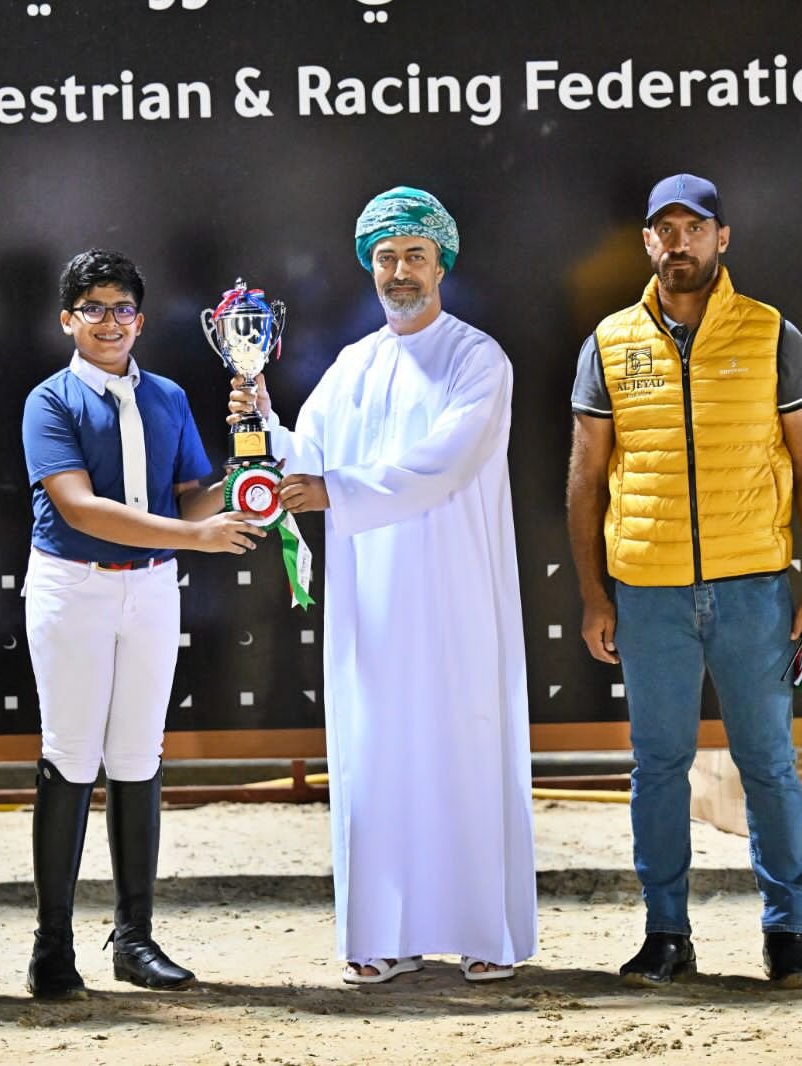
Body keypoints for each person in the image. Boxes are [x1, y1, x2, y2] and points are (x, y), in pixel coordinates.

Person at [229, 187, 536, 984]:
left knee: (466, 748)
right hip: (372, 602)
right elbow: (307, 460)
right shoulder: (353, 365)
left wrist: (337, 491)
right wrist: (262, 421)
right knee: (378, 756)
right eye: (387, 257)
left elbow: (447, 461)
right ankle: (384, 936)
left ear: (442, 265)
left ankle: (484, 934)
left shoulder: (477, 359)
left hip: (457, 593)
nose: (401, 272)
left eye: (415, 256)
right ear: (371, 267)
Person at [566, 173, 802, 989]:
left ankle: (787, 937)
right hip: (647, 593)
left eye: (695, 227)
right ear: (647, 242)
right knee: (657, 767)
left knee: (768, 765)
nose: (679, 242)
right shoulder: (610, 342)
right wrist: (594, 596)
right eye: (665, 229)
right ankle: (666, 935)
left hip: (753, 589)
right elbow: (585, 479)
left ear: (723, 238)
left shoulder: (772, 334)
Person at [21, 249, 264, 1000]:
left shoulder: (167, 396)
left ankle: (134, 940)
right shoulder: (50, 401)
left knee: (137, 755)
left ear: (142, 320)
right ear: (67, 320)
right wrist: (196, 537)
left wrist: (249, 464)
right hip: (75, 587)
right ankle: (52, 947)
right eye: (93, 309)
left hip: (154, 588)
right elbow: (79, 508)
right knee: (70, 755)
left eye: (122, 308)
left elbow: (192, 496)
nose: (110, 322)